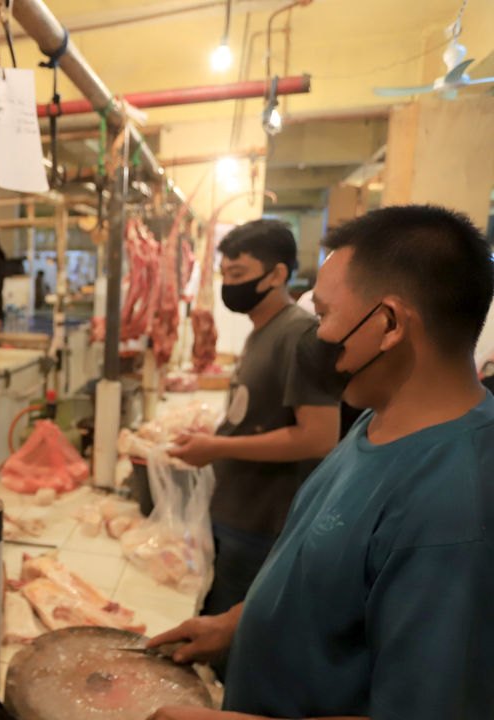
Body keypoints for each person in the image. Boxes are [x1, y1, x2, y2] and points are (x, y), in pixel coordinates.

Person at [148, 205, 494, 720]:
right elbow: (326, 583)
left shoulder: (453, 506)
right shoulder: (377, 419)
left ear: (390, 323)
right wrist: (236, 623)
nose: (317, 335)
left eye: (326, 315)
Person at [169, 219, 340, 622]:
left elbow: (318, 437)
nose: (229, 285)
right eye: (225, 274)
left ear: (277, 274)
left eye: (239, 274)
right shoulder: (261, 332)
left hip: (263, 523)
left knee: (233, 637)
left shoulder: (299, 336)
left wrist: (217, 447)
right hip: (234, 510)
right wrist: (215, 436)